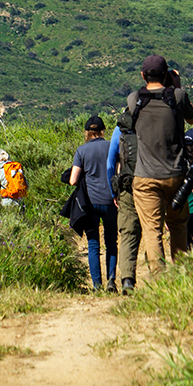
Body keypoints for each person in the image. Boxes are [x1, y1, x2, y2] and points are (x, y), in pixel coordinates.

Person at [125, 55, 193, 271]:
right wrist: (177, 86)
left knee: (152, 230)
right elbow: (192, 119)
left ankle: (160, 281)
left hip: (145, 177)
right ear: (166, 73)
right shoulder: (178, 96)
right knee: (178, 227)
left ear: (142, 75)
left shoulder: (134, 99)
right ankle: (181, 277)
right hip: (176, 176)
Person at [68, 115, 117, 291]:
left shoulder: (81, 151)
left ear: (87, 132)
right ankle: (112, 281)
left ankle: (97, 285)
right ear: (102, 131)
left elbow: (73, 180)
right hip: (111, 201)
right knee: (111, 241)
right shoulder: (112, 146)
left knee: (94, 243)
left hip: (90, 203)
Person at [106, 109, 142, 294]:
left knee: (128, 232)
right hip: (150, 184)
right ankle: (159, 278)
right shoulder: (150, 124)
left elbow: (110, 162)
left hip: (127, 184)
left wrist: (113, 189)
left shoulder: (120, 130)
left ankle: (127, 280)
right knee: (153, 231)